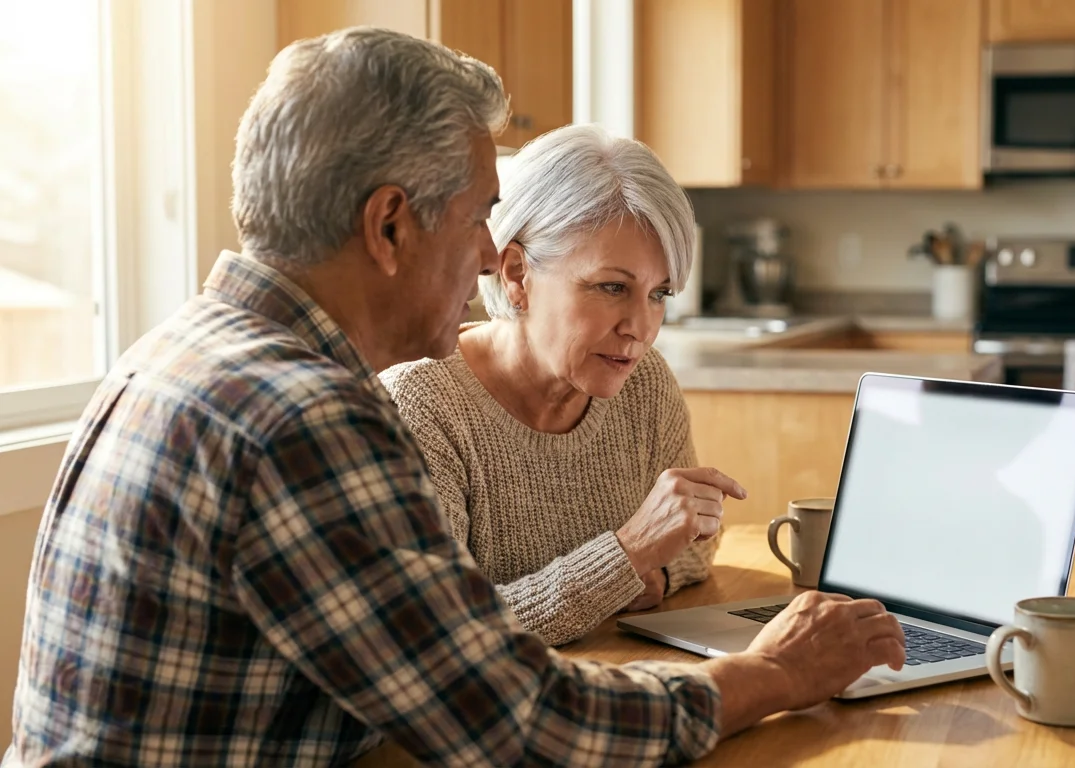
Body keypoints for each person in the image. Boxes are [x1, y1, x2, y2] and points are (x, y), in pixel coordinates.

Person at [3, 27, 904, 767]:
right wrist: (776, 673)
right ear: (390, 224)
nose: (486, 258)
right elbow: (519, 723)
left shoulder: (176, 352)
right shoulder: (304, 417)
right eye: (480, 216)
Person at [381, 123, 722, 647]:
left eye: (659, 294)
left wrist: (657, 574)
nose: (641, 328)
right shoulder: (421, 407)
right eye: (613, 287)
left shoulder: (644, 383)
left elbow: (691, 541)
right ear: (517, 274)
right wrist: (626, 557)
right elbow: (437, 635)